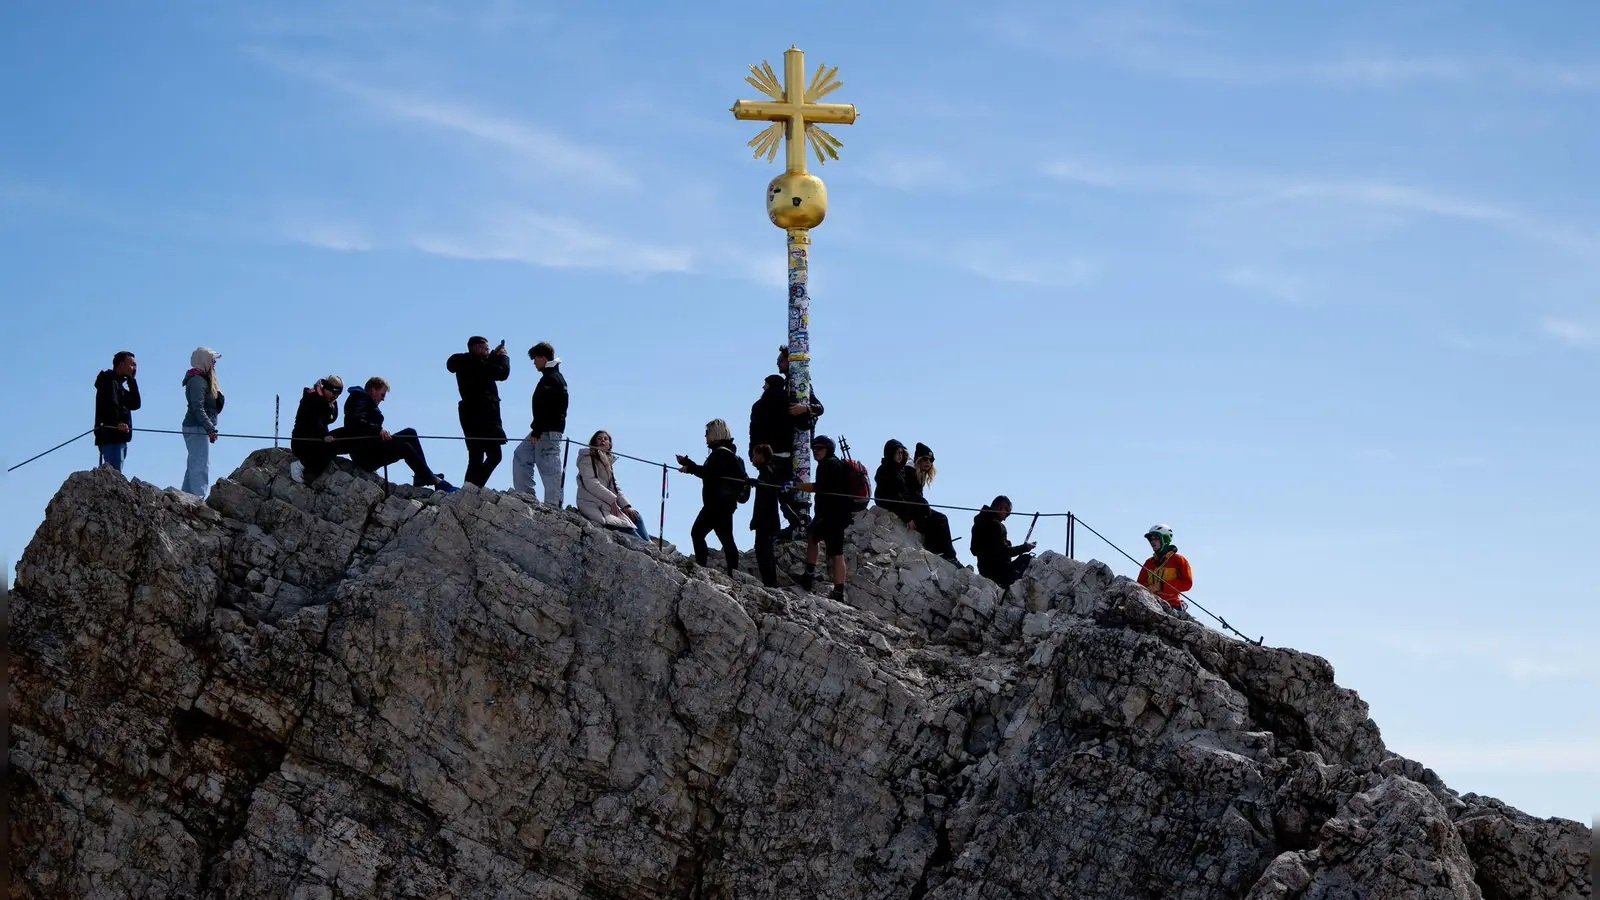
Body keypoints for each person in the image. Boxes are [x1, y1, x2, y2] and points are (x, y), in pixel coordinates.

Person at [341, 377, 457, 492]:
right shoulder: (359, 398)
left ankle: (421, 476)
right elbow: (355, 421)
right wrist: (378, 430)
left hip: (372, 447)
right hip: (365, 455)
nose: (383, 399)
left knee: (410, 432)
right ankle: (435, 481)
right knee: (403, 446)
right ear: (373, 390)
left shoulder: (365, 401)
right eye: (382, 394)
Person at [675, 419, 747, 577]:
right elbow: (710, 472)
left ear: (715, 433)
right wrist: (689, 464)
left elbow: (709, 473)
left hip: (716, 504)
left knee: (698, 533)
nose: (705, 436)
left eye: (707, 432)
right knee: (727, 539)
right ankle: (732, 573)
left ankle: (701, 568)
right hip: (724, 504)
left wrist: (689, 467)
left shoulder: (720, 454)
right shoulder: (727, 454)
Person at [793, 434, 853, 602]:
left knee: (816, 539)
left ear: (828, 449)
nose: (815, 451)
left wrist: (795, 485)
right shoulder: (837, 464)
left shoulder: (828, 465)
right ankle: (838, 590)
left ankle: (809, 575)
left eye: (820, 448)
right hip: (838, 515)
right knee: (835, 551)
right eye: (814, 448)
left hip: (829, 515)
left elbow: (819, 487)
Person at [446, 336, 511, 488]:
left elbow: (485, 367)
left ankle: (468, 488)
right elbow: (503, 373)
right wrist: (503, 356)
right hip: (485, 417)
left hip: (469, 415)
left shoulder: (464, 362)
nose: (488, 352)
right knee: (495, 455)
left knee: (476, 456)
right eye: (486, 349)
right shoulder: (478, 365)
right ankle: (472, 488)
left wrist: (493, 356)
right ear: (477, 348)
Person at [513, 341, 567, 506]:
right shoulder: (551, 377)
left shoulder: (552, 378)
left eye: (535, 359)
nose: (534, 363)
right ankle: (527, 497)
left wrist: (536, 430)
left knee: (549, 469)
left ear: (543, 358)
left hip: (547, 431)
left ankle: (553, 507)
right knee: (521, 455)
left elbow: (547, 407)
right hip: (543, 429)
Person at [576, 430, 649, 541]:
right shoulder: (588, 458)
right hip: (592, 504)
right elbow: (590, 483)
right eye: (599, 438)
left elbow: (615, 488)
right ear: (594, 443)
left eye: (605, 439)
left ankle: (650, 545)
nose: (602, 441)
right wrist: (611, 499)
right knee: (627, 528)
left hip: (606, 504)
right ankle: (649, 549)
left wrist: (626, 506)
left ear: (609, 444)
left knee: (635, 516)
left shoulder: (607, 462)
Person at [180, 347, 224, 497]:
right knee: (200, 464)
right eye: (213, 360)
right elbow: (197, 407)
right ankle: (197, 498)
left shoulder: (202, 379)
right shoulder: (198, 380)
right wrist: (210, 428)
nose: (214, 363)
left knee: (195, 463)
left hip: (197, 427)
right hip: (197, 427)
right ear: (204, 361)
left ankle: (186, 496)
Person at [905, 443, 959, 564]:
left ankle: (937, 549)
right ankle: (950, 555)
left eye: (931, 460)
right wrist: (908, 516)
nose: (928, 462)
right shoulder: (909, 472)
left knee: (936, 520)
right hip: (911, 511)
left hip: (916, 510)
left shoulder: (918, 474)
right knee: (941, 519)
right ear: (918, 459)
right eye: (925, 459)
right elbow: (907, 496)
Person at [289, 376, 344, 485]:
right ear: (326, 388)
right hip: (302, 440)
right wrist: (322, 437)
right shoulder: (312, 398)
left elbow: (330, 419)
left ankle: (310, 475)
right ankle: (300, 466)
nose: (335, 397)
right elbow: (311, 420)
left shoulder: (330, 403)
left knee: (335, 443)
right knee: (327, 447)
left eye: (338, 395)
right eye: (334, 393)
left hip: (317, 436)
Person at [971, 495, 1036, 588]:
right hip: (1000, 574)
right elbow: (1003, 552)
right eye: (1007, 513)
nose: (1005, 518)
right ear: (1000, 508)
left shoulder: (977, 524)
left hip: (984, 571)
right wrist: (1024, 548)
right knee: (1027, 560)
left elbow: (974, 550)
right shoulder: (997, 526)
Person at [93, 350, 140, 472]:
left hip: (118, 437)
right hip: (111, 437)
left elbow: (135, 404)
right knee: (114, 476)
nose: (134, 368)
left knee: (116, 475)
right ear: (121, 365)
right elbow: (111, 405)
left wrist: (132, 381)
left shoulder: (118, 385)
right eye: (132, 364)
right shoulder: (109, 383)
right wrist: (118, 423)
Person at [1138, 524, 1194, 614]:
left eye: (1156, 538)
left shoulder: (1179, 560)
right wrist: (1148, 589)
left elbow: (1187, 583)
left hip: (1173, 607)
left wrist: (1161, 586)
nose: (1152, 541)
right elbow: (1140, 584)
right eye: (1151, 539)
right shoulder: (1148, 563)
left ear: (1165, 539)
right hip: (1151, 604)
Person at [747, 443, 781, 587]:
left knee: (763, 551)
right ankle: (770, 582)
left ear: (762, 455)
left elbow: (768, 493)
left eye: (755, 454)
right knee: (764, 550)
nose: (752, 458)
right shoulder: (767, 472)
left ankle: (770, 583)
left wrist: (757, 483)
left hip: (766, 520)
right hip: (765, 520)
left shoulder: (767, 472)